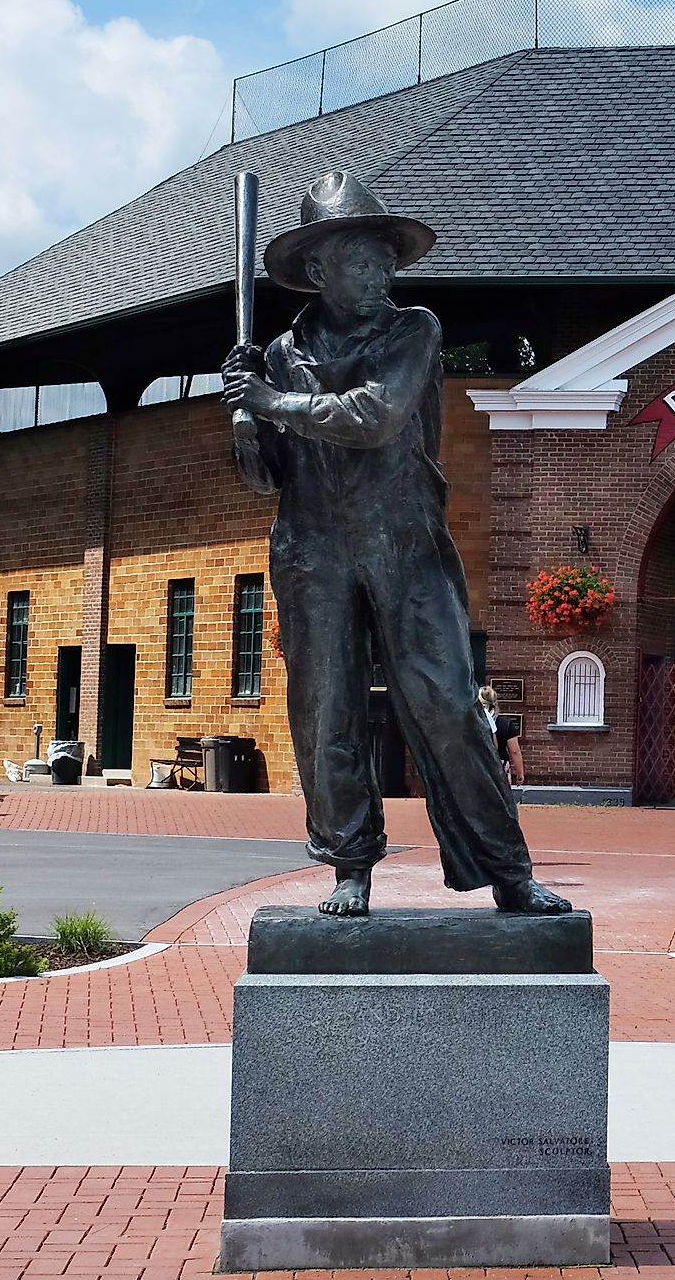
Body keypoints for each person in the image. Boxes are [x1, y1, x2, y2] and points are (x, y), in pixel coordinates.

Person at [223, 169, 571, 918]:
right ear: (318, 270)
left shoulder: (413, 329)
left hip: (408, 543)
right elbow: (267, 478)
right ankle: (350, 864)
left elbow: (375, 415)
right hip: (314, 548)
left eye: (386, 260)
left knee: (447, 703)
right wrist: (246, 425)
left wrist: (273, 402)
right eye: (361, 260)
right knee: (327, 711)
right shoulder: (280, 354)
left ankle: (507, 869)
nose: (381, 274)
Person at [480, 684, 526, 787]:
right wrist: (520, 773)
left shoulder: (473, 723)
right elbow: (514, 751)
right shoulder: (505, 724)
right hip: (500, 766)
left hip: (479, 766)